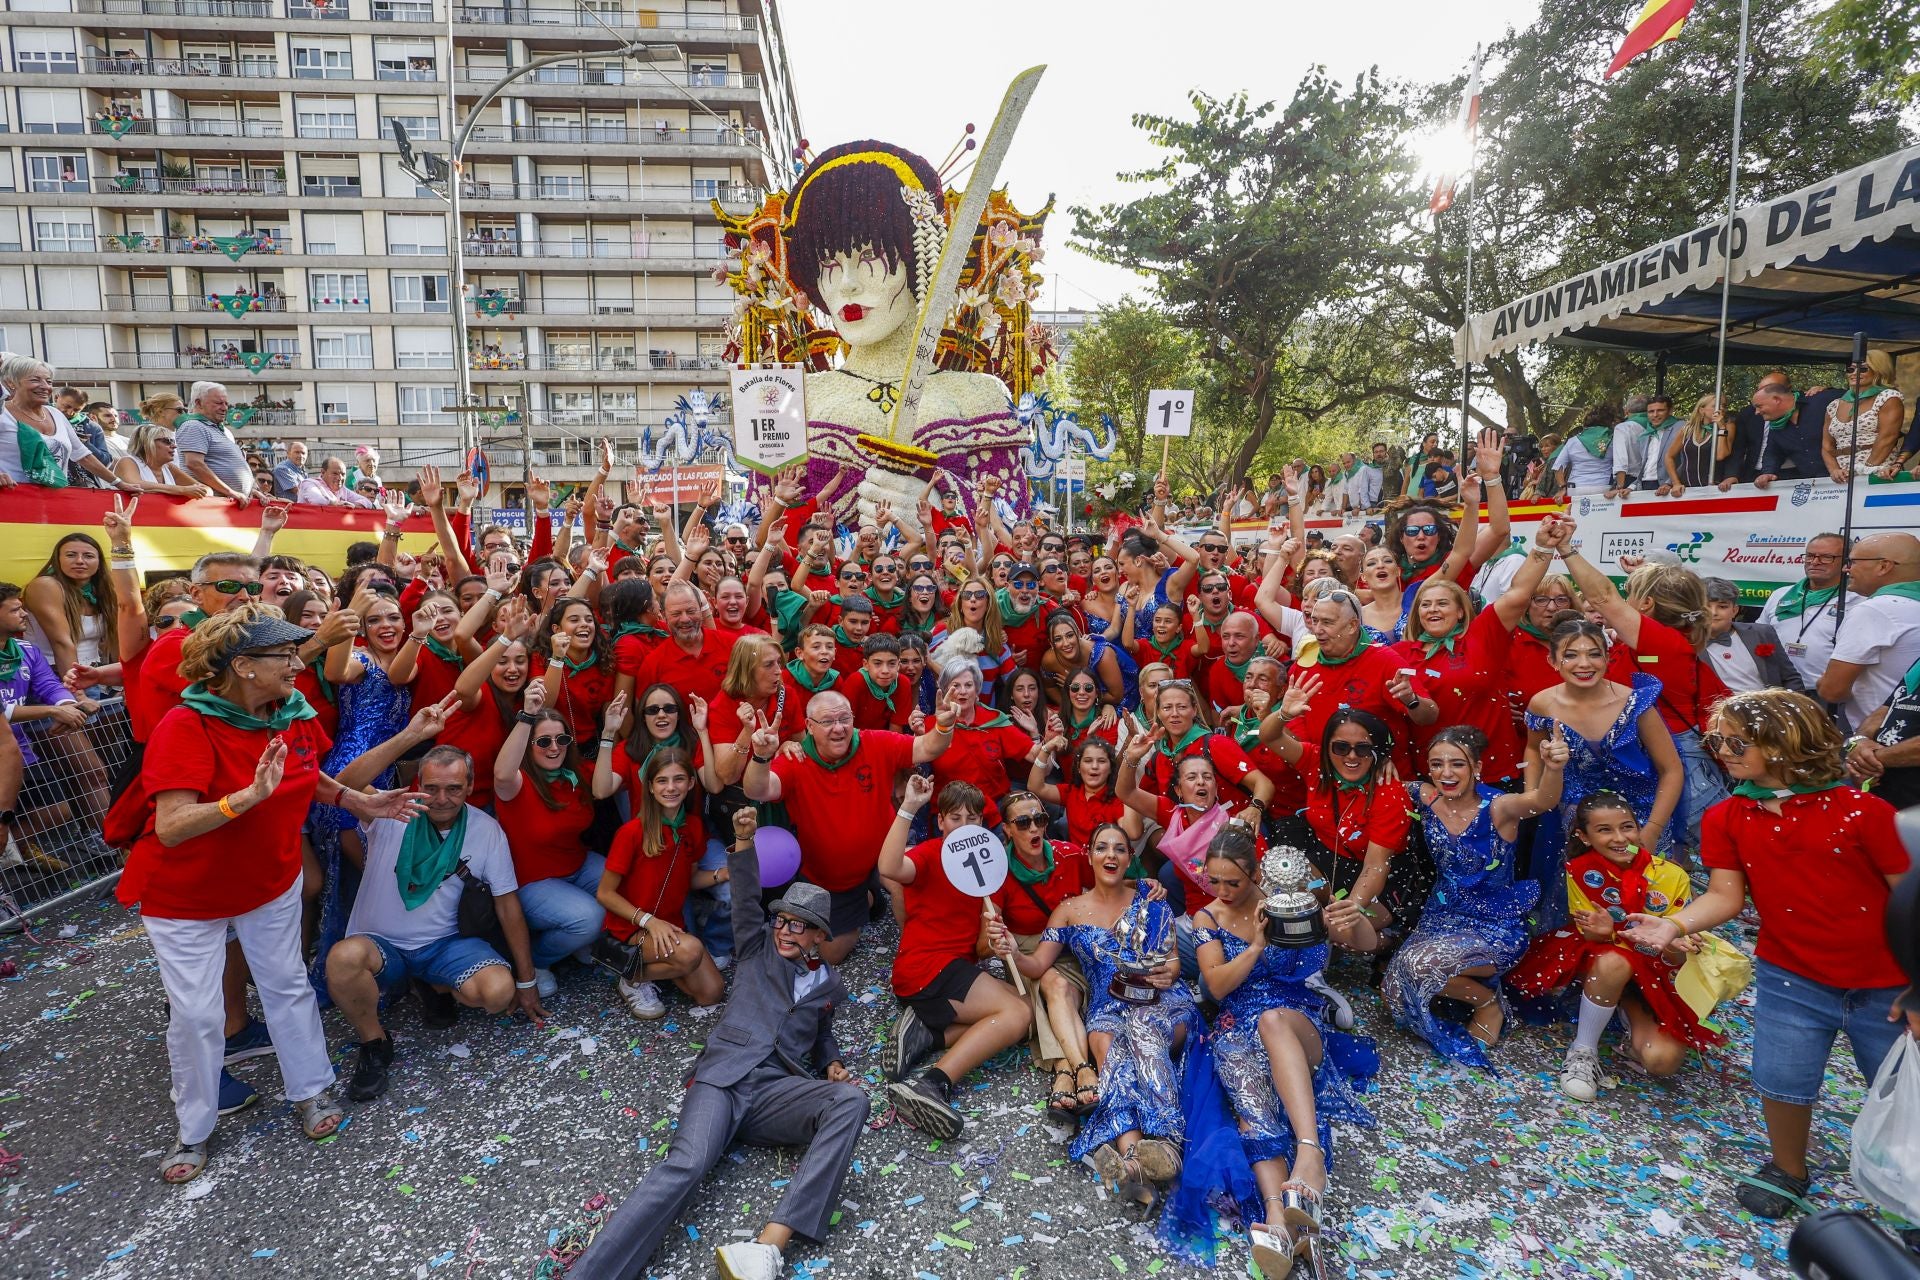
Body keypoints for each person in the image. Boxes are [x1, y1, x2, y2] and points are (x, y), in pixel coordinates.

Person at [120, 606, 417, 1182]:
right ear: (243, 667)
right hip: (187, 898)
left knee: (286, 986)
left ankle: (311, 1090)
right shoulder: (186, 725)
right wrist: (245, 799)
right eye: (282, 655)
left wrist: (357, 800)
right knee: (197, 1015)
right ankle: (194, 1128)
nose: (295, 664)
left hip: (269, 882)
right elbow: (172, 825)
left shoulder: (292, 711)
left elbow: (308, 773)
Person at [1622, 690, 1917, 1219]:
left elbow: (1912, 900)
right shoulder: (1727, 817)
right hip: (1792, 977)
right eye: (1716, 741)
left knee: (1900, 1091)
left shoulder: (1864, 811)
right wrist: (1673, 924)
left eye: (1736, 742)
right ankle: (1787, 1167)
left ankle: (1908, 1190)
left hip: (1888, 985)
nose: (1721, 751)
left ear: (1786, 743)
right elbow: (1725, 895)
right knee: (1782, 1080)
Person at [567, 810, 867, 1280]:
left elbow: (821, 1031)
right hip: (723, 1079)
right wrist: (744, 841)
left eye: (798, 925)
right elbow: (746, 900)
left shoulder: (830, 985)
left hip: (774, 1093)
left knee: (852, 1101)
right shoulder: (756, 946)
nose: (785, 931)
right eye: (782, 921)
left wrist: (831, 1062)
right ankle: (592, 1273)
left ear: (818, 936)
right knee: (687, 1165)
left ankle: (768, 1248)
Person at [1185, 823, 1377, 1276]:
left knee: (1271, 1020)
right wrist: (1256, 946)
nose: (1222, 891)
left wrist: (1354, 920)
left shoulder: (1292, 901)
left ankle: (1310, 1154)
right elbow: (1216, 987)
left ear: (1255, 875)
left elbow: (1365, 945)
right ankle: (1279, 1215)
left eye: (1233, 882)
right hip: (1237, 1022)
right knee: (1246, 1093)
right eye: (1214, 881)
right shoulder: (1207, 918)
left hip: (1296, 1018)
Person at [324, 745, 548, 1100]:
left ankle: (434, 985)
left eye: (454, 788)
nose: (442, 799)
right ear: (418, 784)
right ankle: (375, 1042)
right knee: (341, 959)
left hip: (443, 945)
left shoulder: (486, 829)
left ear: (470, 786)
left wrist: (527, 980)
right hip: (381, 945)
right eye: (432, 788)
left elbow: (508, 906)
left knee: (497, 993)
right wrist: (412, 734)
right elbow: (344, 782)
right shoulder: (390, 808)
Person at [996, 822, 1191, 1210]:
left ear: (1130, 859)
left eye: (1119, 849)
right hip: (1108, 1006)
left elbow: (1173, 962)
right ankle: (1134, 1160)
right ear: (1089, 856)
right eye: (1102, 848)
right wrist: (1011, 951)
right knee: (1104, 1046)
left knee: (1142, 1028)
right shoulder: (1068, 911)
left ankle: (1168, 1142)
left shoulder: (1151, 899)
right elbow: (1037, 966)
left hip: (1160, 1001)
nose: (1111, 855)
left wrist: (1170, 972)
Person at [1507, 791, 1749, 1101]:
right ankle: (1583, 1050)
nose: (1620, 838)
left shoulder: (1672, 875)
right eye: (1604, 830)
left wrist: (1673, 944)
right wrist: (1605, 933)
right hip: (1607, 960)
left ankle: (1628, 1013)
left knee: (1662, 1062)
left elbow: (1675, 955)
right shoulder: (1580, 871)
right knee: (1614, 960)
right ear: (1584, 836)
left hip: (1658, 969)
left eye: (1627, 827)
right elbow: (1591, 936)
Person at [1382, 724, 1568, 1065]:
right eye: (1437, 764)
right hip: (1441, 917)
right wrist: (1382, 761)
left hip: (1493, 924)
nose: (1446, 773)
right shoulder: (1427, 797)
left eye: (1457, 764)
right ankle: (1457, 986)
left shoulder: (1499, 807)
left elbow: (1543, 800)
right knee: (1395, 996)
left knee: (1417, 967)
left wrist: (1553, 768)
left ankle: (1488, 1003)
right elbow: (1380, 781)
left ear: (1477, 768)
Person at [741, 688, 957, 964]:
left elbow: (927, 747)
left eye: (845, 719)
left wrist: (943, 726)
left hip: (882, 855)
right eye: (828, 721)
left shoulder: (874, 741)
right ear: (809, 726)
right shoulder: (797, 759)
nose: (839, 728)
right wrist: (761, 756)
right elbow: (757, 790)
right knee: (831, 956)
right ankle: (869, 900)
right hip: (832, 879)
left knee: (905, 880)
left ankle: (915, 953)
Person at [879, 776, 1034, 1139]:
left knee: (1026, 1014)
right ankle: (933, 1084)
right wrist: (909, 807)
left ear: (982, 823)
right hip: (925, 967)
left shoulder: (991, 868)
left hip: (953, 971)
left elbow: (981, 948)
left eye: (972, 818)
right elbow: (888, 868)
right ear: (941, 821)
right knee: (1017, 1014)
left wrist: (995, 940)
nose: (964, 825)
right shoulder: (930, 853)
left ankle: (929, 1033)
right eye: (955, 817)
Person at [1262, 694, 1424, 958]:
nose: (1351, 756)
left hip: (1383, 876)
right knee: (1280, 893)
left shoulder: (1390, 794)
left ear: (1377, 752)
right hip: (1329, 859)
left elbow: (1375, 866)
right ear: (1327, 747)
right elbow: (1270, 736)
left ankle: (1389, 941)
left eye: (1363, 749)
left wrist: (1353, 907)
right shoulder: (1315, 761)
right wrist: (1284, 714)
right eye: (1341, 747)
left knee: (1343, 930)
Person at [491, 681, 601, 999]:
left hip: (576, 865)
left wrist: (609, 733)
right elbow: (501, 774)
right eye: (543, 741)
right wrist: (527, 716)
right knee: (589, 919)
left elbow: (615, 778)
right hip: (532, 881)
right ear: (528, 745)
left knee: (626, 886)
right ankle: (537, 960)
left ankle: (577, 942)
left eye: (561, 739)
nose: (554, 748)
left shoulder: (575, 774)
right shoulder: (516, 783)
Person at [1817, 532, 1920, 732]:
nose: (1846, 569)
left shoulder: (1875, 610)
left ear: (1884, 566)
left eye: (1853, 562)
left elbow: (1832, 691)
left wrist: (1823, 681)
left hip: (1877, 737)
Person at [25, 532, 119, 681]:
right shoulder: (45, 586)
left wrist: (126, 680)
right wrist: (76, 688)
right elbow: (61, 643)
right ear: (58, 560)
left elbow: (116, 640)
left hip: (93, 672)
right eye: (71, 555)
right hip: (51, 675)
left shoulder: (104, 588)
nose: (80, 561)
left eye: (88, 556)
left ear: (99, 562)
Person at [1701, 577, 1802, 695]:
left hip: (1771, 704)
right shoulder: (1686, 644)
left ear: (1735, 610)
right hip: (1717, 706)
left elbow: (1791, 679)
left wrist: (1788, 704)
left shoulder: (1762, 633)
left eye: (1722, 606)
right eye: (1706, 607)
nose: (1713, 612)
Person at [1825, 348, 1905, 480]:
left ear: (1879, 371)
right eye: (1851, 369)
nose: (1854, 373)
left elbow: (1888, 438)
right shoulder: (1834, 405)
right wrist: (1834, 470)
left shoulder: (1888, 397)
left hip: (1878, 471)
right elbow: (1827, 446)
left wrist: (1865, 469)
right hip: (1844, 476)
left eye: (1862, 369)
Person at [173, 382, 255, 504]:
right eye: (218, 403)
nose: (225, 408)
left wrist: (252, 490)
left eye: (226, 403)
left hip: (229, 503)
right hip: (211, 504)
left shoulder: (215, 428)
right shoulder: (193, 426)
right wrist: (230, 492)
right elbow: (194, 463)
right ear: (198, 403)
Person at [1751, 381, 1825, 489]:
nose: (1756, 412)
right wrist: (1767, 472)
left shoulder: (1821, 400)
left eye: (1759, 406)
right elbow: (1773, 452)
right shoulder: (1776, 425)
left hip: (1843, 478)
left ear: (1776, 400)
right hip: (1814, 486)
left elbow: (1849, 397)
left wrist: (1827, 388)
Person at [1659, 393, 1734, 496]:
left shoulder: (1728, 426)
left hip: (1715, 490)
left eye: (1724, 406)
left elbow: (1720, 455)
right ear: (1702, 410)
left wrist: (1721, 428)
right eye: (1715, 405)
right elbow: (1669, 456)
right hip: (1687, 489)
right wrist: (1676, 483)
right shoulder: (1687, 429)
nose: (1721, 408)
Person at [1553, 406, 1616, 494]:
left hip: (1576, 488)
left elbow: (1558, 467)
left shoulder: (1573, 441)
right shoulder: (1613, 440)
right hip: (1604, 487)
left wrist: (1562, 487)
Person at [295, 456, 377, 508]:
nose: (340, 478)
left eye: (343, 474)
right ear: (323, 472)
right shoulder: (309, 483)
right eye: (335, 473)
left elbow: (367, 502)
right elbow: (318, 501)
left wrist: (353, 505)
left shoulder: (343, 490)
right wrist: (337, 504)